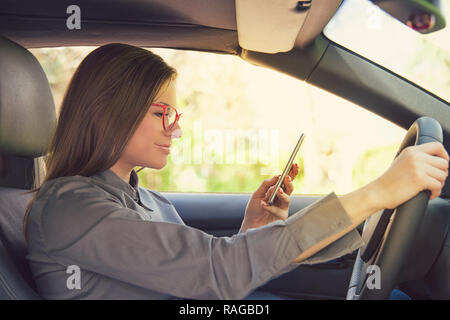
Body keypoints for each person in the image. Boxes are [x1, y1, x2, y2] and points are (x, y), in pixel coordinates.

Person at [23, 43, 449, 300]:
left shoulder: (147, 199)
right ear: (109, 111)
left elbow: (199, 278)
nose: (176, 126)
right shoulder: (70, 207)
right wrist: (376, 194)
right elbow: (214, 273)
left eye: (176, 113)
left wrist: (252, 231)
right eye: (161, 112)